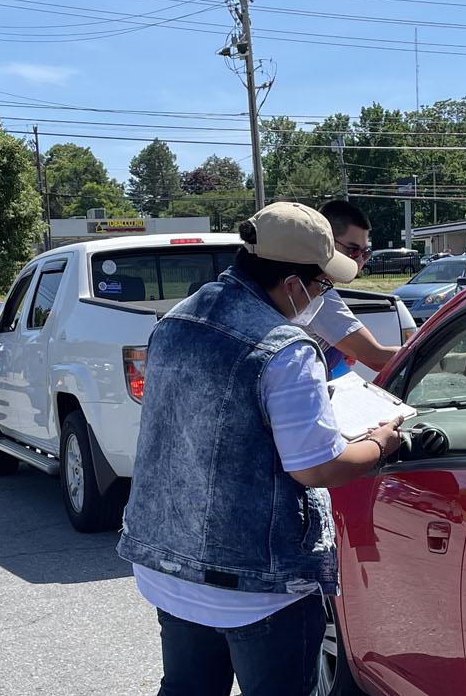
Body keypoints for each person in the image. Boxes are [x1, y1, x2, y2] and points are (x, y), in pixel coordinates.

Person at [118, 202, 406, 696]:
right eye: (322, 286)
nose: (322, 295)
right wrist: (383, 441)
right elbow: (318, 467)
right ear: (293, 284)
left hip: (168, 565)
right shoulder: (286, 349)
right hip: (255, 584)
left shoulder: (177, 321)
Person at [309, 200, 399, 377]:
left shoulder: (316, 286)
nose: (360, 261)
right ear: (326, 242)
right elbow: (376, 358)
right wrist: (435, 355)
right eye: (353, 250)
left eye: (366, 252)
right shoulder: (317, 293)